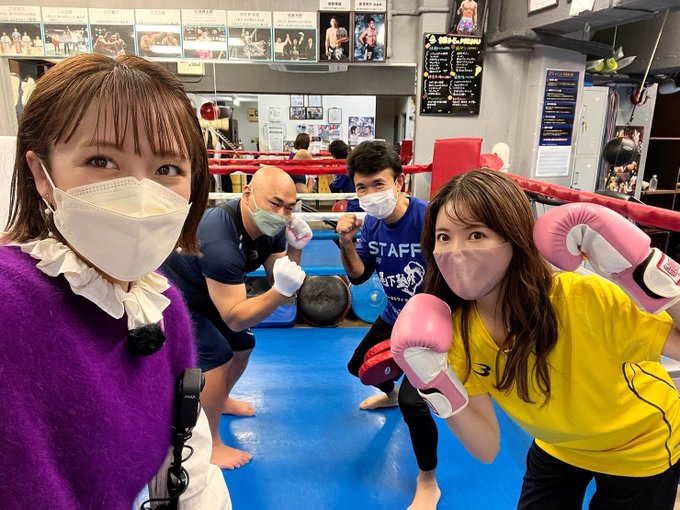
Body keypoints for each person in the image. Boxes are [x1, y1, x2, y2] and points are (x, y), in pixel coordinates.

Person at [1, 53, 230, 508]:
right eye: (102, 160)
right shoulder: (10, 301)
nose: (140, 192)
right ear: (41, 174)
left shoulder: (161, 306)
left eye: (167, 169)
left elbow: (188, 460)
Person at [392, 168, 680, 509]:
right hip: (557, 446)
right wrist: (432, 383)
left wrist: (646, 269)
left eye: (476, 234)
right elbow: (486, 448)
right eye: (443, 237)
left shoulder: (580, 298)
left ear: (514, 239)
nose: (455, 251)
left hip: (639, 444)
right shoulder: (457, 330)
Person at [161, 165, 312, 469]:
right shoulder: (219, 238)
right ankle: (211, 444)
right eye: (275, 204)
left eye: (289, 207)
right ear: (247, 194)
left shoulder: (272, 229)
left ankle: (221, 399)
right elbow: (235, 317)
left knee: (243, 345)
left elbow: (279, 277)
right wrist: (280, 292)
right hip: (176, 293)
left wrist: (295, 251)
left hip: (210, 291)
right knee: (217, 355)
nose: (281, 214)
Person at [336, 141, 440, 509]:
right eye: (361, 187)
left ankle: (428, 480)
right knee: (358, 367)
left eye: (378, 184)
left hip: (430, 326)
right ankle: (390, 393)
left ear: (399, 183)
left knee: (415, 404)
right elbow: (359, 276)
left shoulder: (429, 218)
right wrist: (346, 242)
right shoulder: (372, 224)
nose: (370, 193)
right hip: (395, 316)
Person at [328, 140, 361, 213]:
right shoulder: (351, 163)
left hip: (353, 203)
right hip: (360, 199)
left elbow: (334, 189)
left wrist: (329, 177)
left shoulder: (343, 167)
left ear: (333, 155)